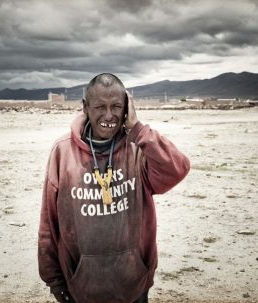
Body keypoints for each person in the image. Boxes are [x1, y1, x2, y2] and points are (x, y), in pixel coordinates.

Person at [38, 73, 190, 303]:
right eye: (100, 106)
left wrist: (138, 130)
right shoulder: (62, 152)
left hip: (133, 283)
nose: (109, 116)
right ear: (85, 107)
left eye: (117, 106)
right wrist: (54, 280)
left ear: (127, 107)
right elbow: (49, 223)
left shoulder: (138, 148)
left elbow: (177, 169)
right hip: (82, 286)